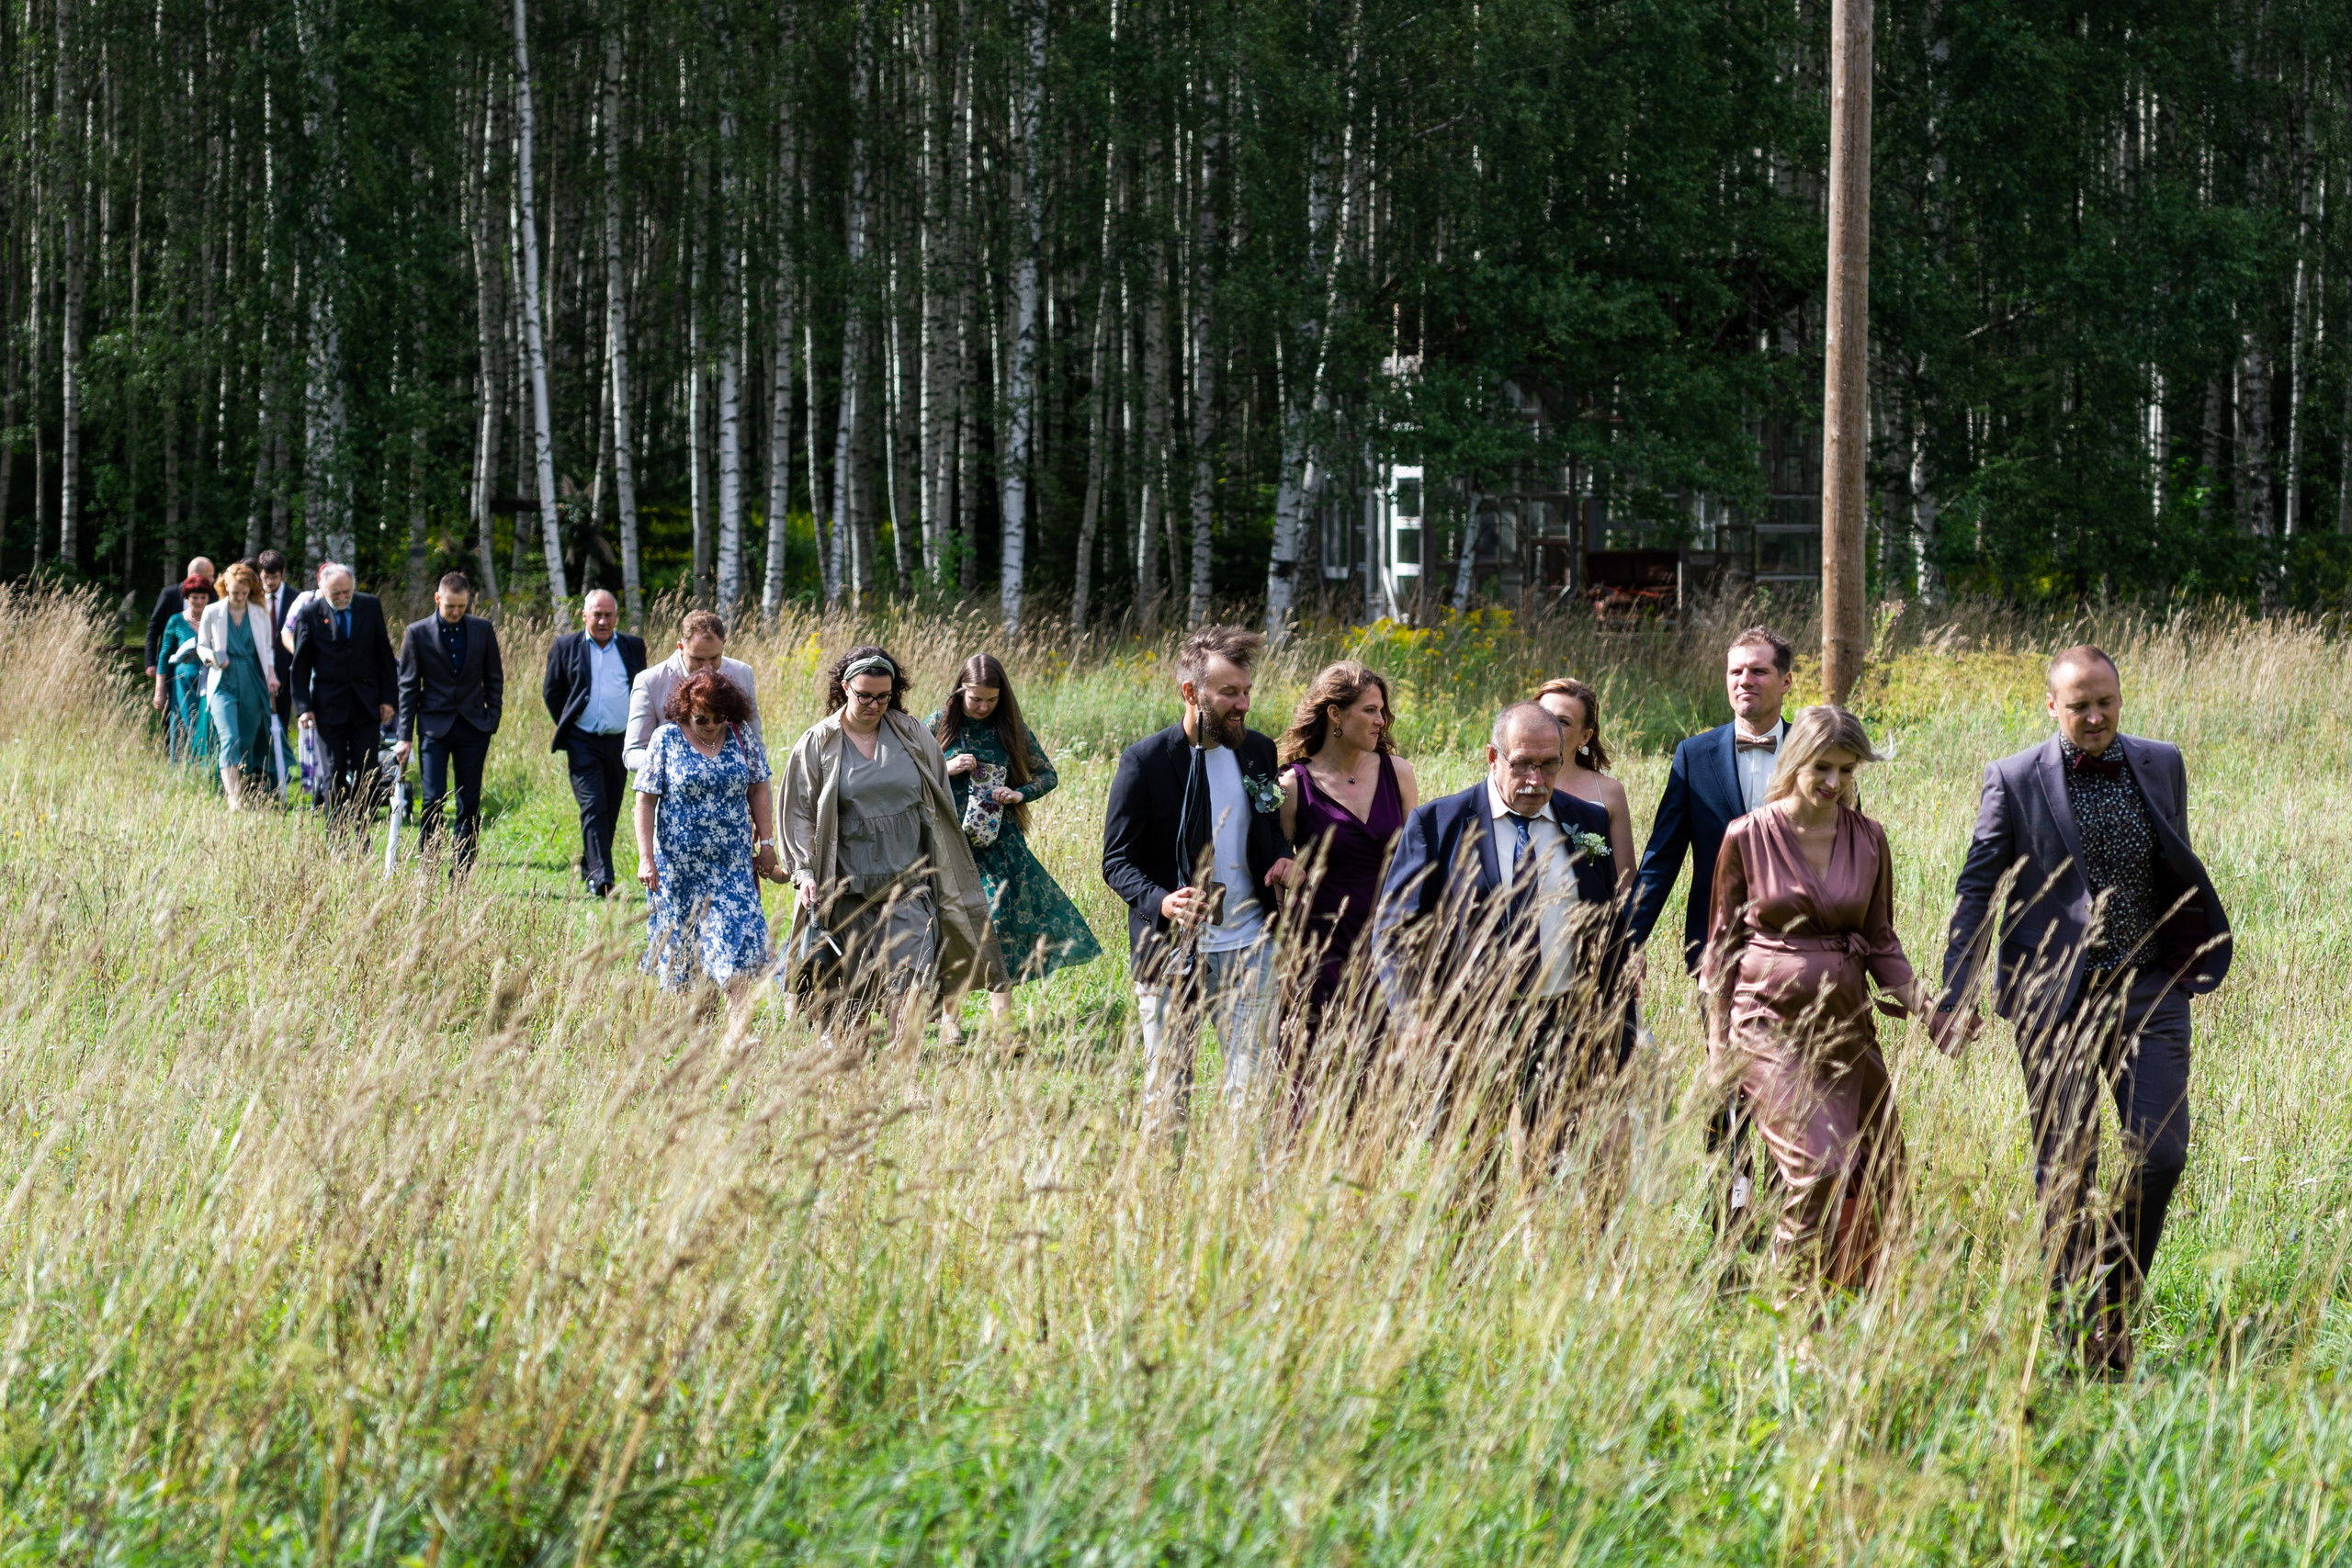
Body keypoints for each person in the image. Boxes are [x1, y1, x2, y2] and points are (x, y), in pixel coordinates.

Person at [1929, 646, 2232, 1375]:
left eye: (2106, 701)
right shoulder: (2013, 778)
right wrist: (1956, 990)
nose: (2094, 717)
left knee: (2160, 1154)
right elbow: (1979, 888)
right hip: (2053, 1000)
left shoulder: (2161, 762)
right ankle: (2078, 1340)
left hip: (2150, 989)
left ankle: (2113, 1304)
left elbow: (2173, 859)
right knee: (2067, 1167)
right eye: (2078, 705)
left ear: (2120, 697)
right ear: (2051, 705)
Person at [1702, 705, 1925, 1290]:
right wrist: (1716, 1047)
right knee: (1815, 1167)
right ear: (1795, 758)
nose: (1834, 783)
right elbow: (1720, 950)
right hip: (1766, 1024)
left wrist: (1931, 1013)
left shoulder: (1869, 838)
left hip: (1847, 1026)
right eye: (1822, 767)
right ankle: (1789, 1315)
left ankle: (1852, 1299)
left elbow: (1880, 942)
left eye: (1847, 771)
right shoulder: (1746, 836)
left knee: (1883, 1168)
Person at [1372, 703, 1623, 1162]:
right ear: (1493, 757)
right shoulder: (1438, 824)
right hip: (1469, 1026)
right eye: (1522, 764)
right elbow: (1393, 934)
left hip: (1562, 1023)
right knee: (1467, 1178)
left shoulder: (1586, 822)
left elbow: (1608, 925)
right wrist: (1412, 1017)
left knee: (1556, 1172)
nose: (1536, 780)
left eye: (1549, 765)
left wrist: (1614, 1026)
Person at [1627, 626, 1797, 1217]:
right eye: (1735, 672)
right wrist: (1628, 942)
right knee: (1728, 1080)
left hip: (1800, 951)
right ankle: (1732, 1206)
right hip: (1716, 951)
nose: (1744, 681)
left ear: (1785, 680)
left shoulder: (1813, 748)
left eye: (1757, 670)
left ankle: (1790, 1206)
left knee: (1793, 1080)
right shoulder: (1694, 755)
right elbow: (1662, 856)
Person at [1102, 626, 1296, 1131]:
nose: (1243, 703)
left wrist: (1281, 858)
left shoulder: (1257, 751)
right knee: (1167, 1099)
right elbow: (1117, 862)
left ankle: (1240, 1202)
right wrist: (1164, 902)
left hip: (1252, 946)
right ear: (1191, 693)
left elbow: (1270, 829)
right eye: (1229, 692)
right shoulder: (1143, 763)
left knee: (1251, 1093)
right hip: (1170, 952)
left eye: (1247, 691)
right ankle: (1162, 1200)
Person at [780, 647, 1003, 1046]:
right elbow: (798, 813)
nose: (873, 704)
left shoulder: (913, 735)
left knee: (913, 982)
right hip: (847, 889)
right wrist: (804, 872)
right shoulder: (818, 742)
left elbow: (937, 804)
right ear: (845, 687)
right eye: (864, 695)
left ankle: (906, 1076)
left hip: (909, 884)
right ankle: (854, 1077)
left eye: (883, 696)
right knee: (853, 1002)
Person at [929, 653, 1102, 1039]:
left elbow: (1048, 775)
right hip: (949, 844)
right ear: (960, 692)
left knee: (998, 924)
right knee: (953, 926)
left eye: (991, 699)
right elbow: (911, 773)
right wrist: (948, 766)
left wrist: (1017, 794)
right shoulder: (937, 725)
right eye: (976, 699)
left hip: (999, 845)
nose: (983, 706)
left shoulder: (1012, 729)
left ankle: (1003, 1024)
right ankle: (949, 1021)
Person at [1274, 660, 1419, 1108]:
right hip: (1318, 947)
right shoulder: (1293, 785)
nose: (1381, 721)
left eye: (1382, 712)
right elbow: (1279, 874)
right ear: (1335, 714)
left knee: (1380, 1077)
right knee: (1307, 1072)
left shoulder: (1399, 773)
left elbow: (1418, 860)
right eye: (1370, 711)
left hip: (1386, 940)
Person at [634, 670, 786, 997]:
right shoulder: (666, 738)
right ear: (685, 708)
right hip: (679, 870)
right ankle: (697, 1037)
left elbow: (759, 787)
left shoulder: (740, 734)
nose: (712, 725)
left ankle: (737, 1040)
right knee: (686, 962)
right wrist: (646, 859)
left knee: (739, 950)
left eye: (720, 717)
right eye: (703, 718)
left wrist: (768, 844)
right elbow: (645, 800)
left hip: (733, 866)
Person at [396, 571, 504, 871]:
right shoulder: (417, 633)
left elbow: (494, 678)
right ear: (437, 599)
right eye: (450, 607)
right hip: (434, 728)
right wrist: (404, 736)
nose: (456, 612)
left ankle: (461, 869)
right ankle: (428, 865)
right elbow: (407, 687)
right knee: (433, 798)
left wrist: (492, 717)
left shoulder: (482, 630)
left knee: (468, 801)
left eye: (461, 606)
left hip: (474, 726)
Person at [545, 589, 647, 897]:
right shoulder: (565, 646)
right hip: (582, 740)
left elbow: (641, 688)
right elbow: (552, 692)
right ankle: (603, 878)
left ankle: (591, 864)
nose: (603, 621)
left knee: (611, 807)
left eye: (609, 615)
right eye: (597, 615)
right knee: (593, 805)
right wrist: (571, 723)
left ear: (616, 617)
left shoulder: (632, 646)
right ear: (584, 616)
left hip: (621, 741)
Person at [288, 564, 400, 829]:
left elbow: (384, 655)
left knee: (367, 771)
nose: (341, 597)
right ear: (323, 589)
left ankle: (363, 833)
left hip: (366, 703)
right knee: (332, 770)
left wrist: (388, 699)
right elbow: (301, 664)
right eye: (335, 593)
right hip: (328, 705)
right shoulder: (309, 613)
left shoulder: (370, 607)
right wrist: (303, 707)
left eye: (346, 592)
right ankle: (336, 835)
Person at [627, 610, 763, 773]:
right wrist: (677, 764)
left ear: (724, 643)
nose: (706, 667)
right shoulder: (650, 681)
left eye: (714, 658)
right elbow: (632, 753)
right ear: (681, 647)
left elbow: (756, 747)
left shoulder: (742, 673)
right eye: (697, 659)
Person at [1535, 678, 1634, 893]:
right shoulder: (1510, 786)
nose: (1549, 727)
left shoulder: (1609, 793)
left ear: (1585, 736)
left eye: (1563, 722)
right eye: (1544, 716)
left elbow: (1625, 881)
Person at [196, 562, 280, 808]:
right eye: (235, 593)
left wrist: (272, 675)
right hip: (223, 681)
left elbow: (267, 649)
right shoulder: (212, 612)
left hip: (253, 680)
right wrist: (210, 657)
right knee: (229, 737)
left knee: (246, 740)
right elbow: (201, 645)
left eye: (244, 593)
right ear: (225, 588)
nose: (240, 597)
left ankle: (245, 786)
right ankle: (234, 797)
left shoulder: (259, 612)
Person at [152, 575, 217, 767]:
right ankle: (181, 771)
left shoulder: (216, 619)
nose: (199, 602)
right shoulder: (176, 621)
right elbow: (164, 656)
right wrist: (159, 691)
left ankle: (207, 768)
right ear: (187, 598)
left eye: (203, 597)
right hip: (182, 684)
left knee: (207, 724)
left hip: (209, 681)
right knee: (183, 724)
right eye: (194, 597)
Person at [144, 557, 217, 679]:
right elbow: (154, 628)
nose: (213, 580)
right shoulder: (169, 594)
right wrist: (150, 662)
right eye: (209, 576)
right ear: (195, 575)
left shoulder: (213, 599)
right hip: (170, 664)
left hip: (203, 670)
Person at [257, 549, 298, 732]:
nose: (270, 582)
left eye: (274, 577)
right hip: (259, 664)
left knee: (281, 718)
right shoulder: (253, 598)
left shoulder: (296, 598)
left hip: (286, 665)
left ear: (283, 573)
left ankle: (279, 757)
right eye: (266, 577)